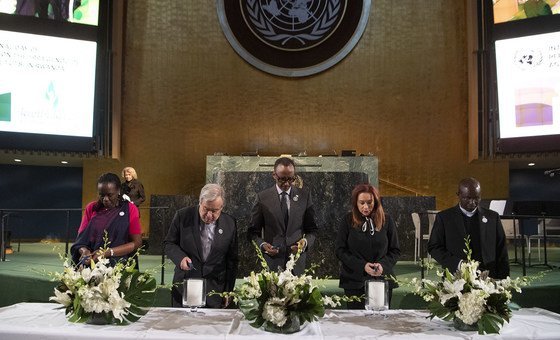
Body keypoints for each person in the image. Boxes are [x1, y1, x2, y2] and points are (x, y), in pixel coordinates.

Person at [164, 183, 238, 308]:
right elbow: (169, 244)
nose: (209, 215)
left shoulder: (230, 223)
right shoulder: (182, 216)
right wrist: (180, 258)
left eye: (214, 211)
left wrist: (228, 290)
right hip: (186, 285)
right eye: (205, 209)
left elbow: (232, 260)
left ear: (222, 207)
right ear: (200, 202)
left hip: (215, 290)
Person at [247, 157, 318, 275]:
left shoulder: (304, 196)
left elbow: (312, 230)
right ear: (274, 175)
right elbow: (252, 232)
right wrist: (263, 245)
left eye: (291, 179)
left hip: (296, 264)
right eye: (282, 179)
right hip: (273, 264)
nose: (287, 183)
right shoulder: (262, 198)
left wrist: (304, 242)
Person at [428, 177, 510, 279]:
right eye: (467, 198)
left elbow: (501, 249)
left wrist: (504, 278)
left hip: (488, 278)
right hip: (456, 278)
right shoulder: (444, 218)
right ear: (458, 195)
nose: (472, 202)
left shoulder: (493, 217)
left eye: (476, 198)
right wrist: (458, 264)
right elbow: (434, 247)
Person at [335, 184, 400, 309]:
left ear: (376, 202)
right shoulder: (347, 220)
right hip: (354, 281)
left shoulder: (387, 220)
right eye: (362, 203)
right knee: (356, 324)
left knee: (380, 323)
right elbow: (340, 250)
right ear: (356, 203)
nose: (366, 207)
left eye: (369, 202)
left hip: (382, 280)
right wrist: (362, 266)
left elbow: (395, 250)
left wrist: (383, 265)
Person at [71, 172, 142, 266]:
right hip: (91, 261)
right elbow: (80, 239)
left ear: (118, 191)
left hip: (118, 264)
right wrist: (84, 251)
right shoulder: (91, 208)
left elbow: (137, 243)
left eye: (110, 195)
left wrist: (107, 252)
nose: (105, 199)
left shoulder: (130, 209)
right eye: (101, 195)